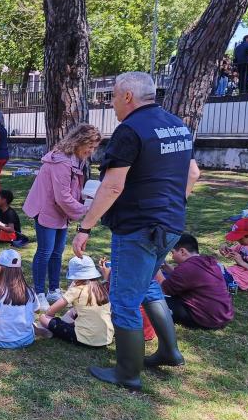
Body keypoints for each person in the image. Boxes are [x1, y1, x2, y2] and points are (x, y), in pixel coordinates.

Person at [73, 72, 201, 391]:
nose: (111, 103)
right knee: (147, 287)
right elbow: (193, 172)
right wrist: (173, 204)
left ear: (128, 96)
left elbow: (113, 185)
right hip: (170, 226)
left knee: (124, 298)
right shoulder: (177, 126)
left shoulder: (130, 130)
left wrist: (85, 226)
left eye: (113, 96)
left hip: (138, 228)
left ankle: (127, 373)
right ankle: (170, 351)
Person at [23, 123, 101, 303]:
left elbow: (70, 191)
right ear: (79, 142)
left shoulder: (76, 158)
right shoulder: (63, 161)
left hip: (60, 212)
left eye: (94, 147)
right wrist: (85, 209)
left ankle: (54, 289)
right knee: (45, 251)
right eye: (90, 146)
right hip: (46, 210)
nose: (92, 151)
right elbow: (62, 196)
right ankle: (39, 293)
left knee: (57, 252)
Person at [155, 234, 234, 329]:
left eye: (172, 253)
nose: (172, 257)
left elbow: (164, 288)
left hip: (207, 320)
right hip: (224, 316)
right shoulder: (207, 260)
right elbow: (186, 277)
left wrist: (156, 266)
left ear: (182, 251)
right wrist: (166, 268)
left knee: (155, 301)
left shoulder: (187, 268)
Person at [37, 255, 113, 347]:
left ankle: (51, 330)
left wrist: (50, 319)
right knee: (72, 311)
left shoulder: (76, 290)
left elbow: (51, 310)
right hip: (106, 337)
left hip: (86, 339)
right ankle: (64, 325)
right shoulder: (100, 287)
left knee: (43, 317)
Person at [0, 249, 37, 349]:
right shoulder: (30, 291)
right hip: (27, 338)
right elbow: (36, 309)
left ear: (0, 269)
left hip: (4, 341)